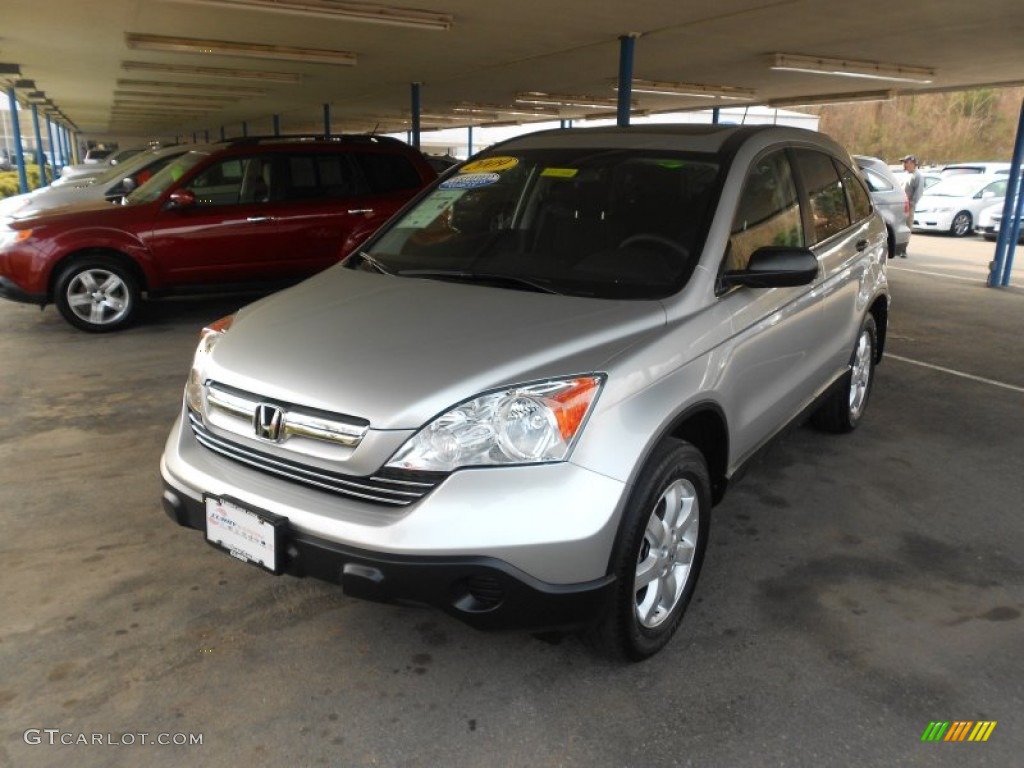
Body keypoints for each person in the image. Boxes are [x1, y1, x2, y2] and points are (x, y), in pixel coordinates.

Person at [900, 154, 923, 257]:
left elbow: (918, 193)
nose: (904, 164)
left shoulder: (917, 176)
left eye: (906, 162)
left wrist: (911, 205)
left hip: (909, 207)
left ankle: (903, 249)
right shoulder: (905, 175)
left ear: (913, 163)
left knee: (907, 227)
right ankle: (898, 246)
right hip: (900, 205)